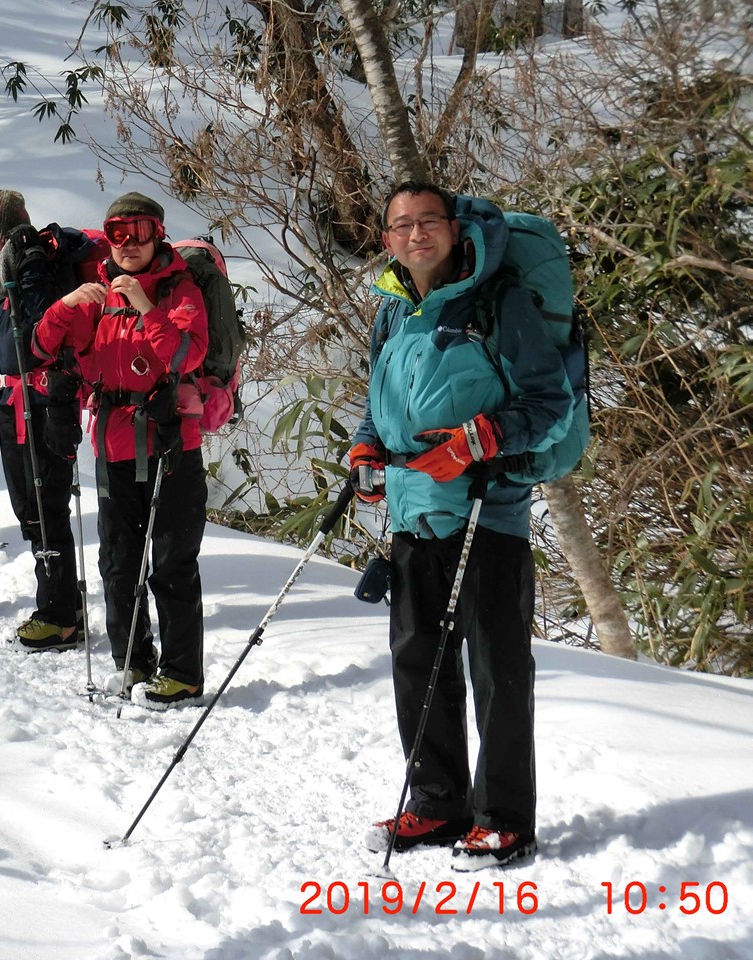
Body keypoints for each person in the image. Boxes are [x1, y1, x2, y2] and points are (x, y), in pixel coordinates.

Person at [352, 180, 573, 870]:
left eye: (428, 222)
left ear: (454, 229)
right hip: (413, 510)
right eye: (401, 225)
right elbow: (377, 403)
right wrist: (364, 446)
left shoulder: (498, 303)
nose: (415, 235)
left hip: (487, 509)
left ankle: (504, 818)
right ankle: (437, 803)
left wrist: (478, 441)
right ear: (386, 239)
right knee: (419, 663)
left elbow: (549, 404)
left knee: (497, 670)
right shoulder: (391, 312)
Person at [32, 192, 209, 708]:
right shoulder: (100, 295)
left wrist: (147, 306)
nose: (128, 244)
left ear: (158, 234)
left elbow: (184, 353)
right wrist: (66, 305)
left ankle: (182, 674)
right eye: (117, 233)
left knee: (172, 562)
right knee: (118, 560)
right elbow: (42, 348)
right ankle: (131, 662)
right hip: (112, 442)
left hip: (172, 442)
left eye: (139, 231)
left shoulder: (180, 290)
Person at [0, 190, 81, 650]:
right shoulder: (0, 272)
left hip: (41, 402)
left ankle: (58, 614)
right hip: (14, 403)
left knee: (44, 508)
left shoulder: (38, 267)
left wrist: (28, 266)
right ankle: (63, 598)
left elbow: (44, 327)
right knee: (33, 510)